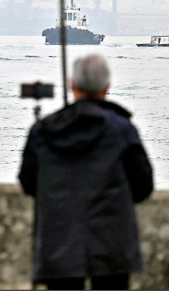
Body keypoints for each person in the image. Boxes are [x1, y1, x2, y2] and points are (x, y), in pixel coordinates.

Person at [18, 54, 153, 290]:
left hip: (58, 245)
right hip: (112, 245)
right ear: (106, 86)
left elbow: (28, 183)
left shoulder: (43, 131)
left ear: (72, 85)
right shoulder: (122, 129)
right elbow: (143, 186)